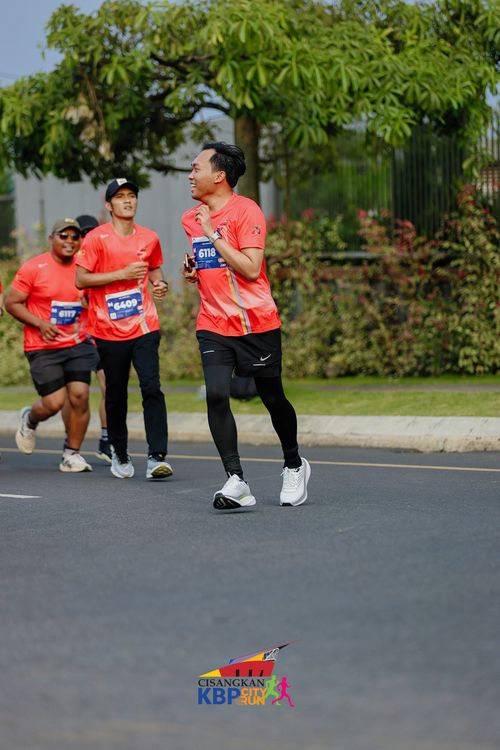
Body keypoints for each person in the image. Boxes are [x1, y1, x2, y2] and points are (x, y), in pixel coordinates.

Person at [181, 142, 311, 509]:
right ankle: (236, 479)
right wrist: (194, 271)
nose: (190, 176)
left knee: (272, 397)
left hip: (255, 322)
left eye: (196, 168)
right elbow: (213, 264)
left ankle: (294, 464)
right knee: (216, 394)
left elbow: (252, 269)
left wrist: (213, 234)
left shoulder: (246, 211)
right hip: (213, 322)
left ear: (219, 175)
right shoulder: (191, 218)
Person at [75, 178, 173, 481]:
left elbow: (154, 267)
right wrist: (122, 274)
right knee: (115, 394)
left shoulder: (149, 237)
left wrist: (159, 283)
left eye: (131, 195)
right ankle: (119, 451)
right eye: (120, 197)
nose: (127, 201)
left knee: (151, 387)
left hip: (144, 324)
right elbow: (81, 279)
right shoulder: (96, 239)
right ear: (109, 205)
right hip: (108, 329)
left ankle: (157, 457)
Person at [5, 218, 99, 472]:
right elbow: (12, 303)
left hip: (77, 342)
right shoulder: (34, 268)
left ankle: (71, 453)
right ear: (51, 239)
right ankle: (30, 419)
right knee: (54, 403)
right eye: (63, 236)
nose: (70, 241)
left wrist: (90, 303)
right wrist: (40, 323)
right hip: (43, 345)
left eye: (75, 237)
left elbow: (96, 296)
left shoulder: (84, 268)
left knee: (80, 396)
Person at [60, 214, 112, 463]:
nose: (89, 238)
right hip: (73, 338)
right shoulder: (67, 264)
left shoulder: (103, 261)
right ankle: (70, 439)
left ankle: (106, 440)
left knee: (108, 385)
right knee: (74, 394)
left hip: (99, 333)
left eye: (93, 233)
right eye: (84, 234)